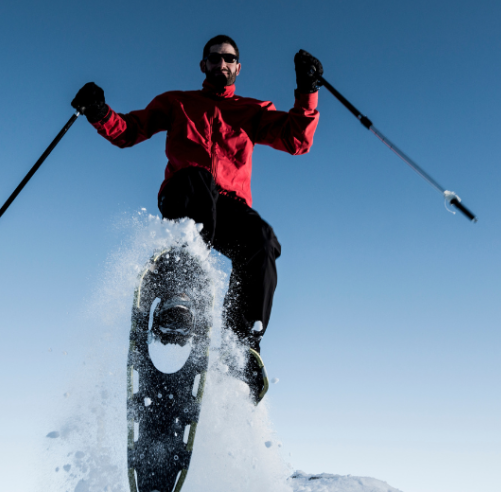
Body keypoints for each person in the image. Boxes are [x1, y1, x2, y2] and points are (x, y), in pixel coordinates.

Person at [71, 35, 323, 402]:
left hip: (228, 207)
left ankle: (241, 344)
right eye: (214, 58)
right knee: (197, 177)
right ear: (203, 65)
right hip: (184, 195)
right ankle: (177, 292)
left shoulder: (252, 110)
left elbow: (296, 140)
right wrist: (99, 111)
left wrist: (307, 90)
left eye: (229, 59)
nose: (222, 64)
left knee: (261, 239)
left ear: (238, 68)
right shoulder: (177, 102)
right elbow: (129, 131)